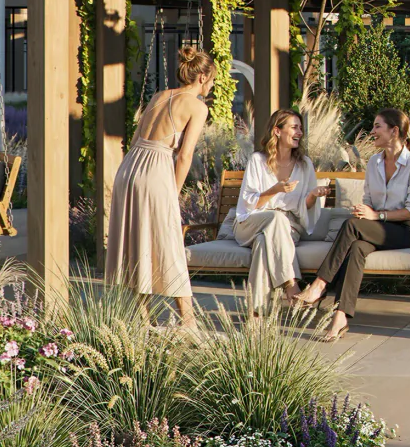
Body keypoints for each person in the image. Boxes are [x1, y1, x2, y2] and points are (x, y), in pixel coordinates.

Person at [295, 108, 410, 342]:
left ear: (394, 131)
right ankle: (341, 316)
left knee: (352, 226)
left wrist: (377, 217)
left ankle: (319, 285)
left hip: (405, 230)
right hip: (378, 229)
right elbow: (368, 200)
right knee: (356, 248)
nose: (372, 131)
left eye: (378, 126)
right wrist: (364, 211)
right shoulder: (375, 162)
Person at [106, 46, 214, 328]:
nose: (212, 85)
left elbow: (136, 138)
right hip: (155, 169)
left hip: (129, 167)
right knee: (170, 244)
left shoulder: (159, 95)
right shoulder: (197, 106)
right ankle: (188, 322)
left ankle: (144, 321)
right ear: (202, 76)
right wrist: (173, 194)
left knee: (136, 242)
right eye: (212, 78)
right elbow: (185, 155)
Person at [234, 108, 333, 314]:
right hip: (250, 223)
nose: (299, 132)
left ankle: (256, 314)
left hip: (287, 227)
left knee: (263, 243)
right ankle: (291, 286)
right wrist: (274, 190)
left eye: (300, 128)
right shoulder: (257, 161)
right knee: (275, 218)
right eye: (294, 127)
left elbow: (301, 209)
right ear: (277, 131)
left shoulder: (304, 165)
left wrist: (313, 196)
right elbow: (248, 204)